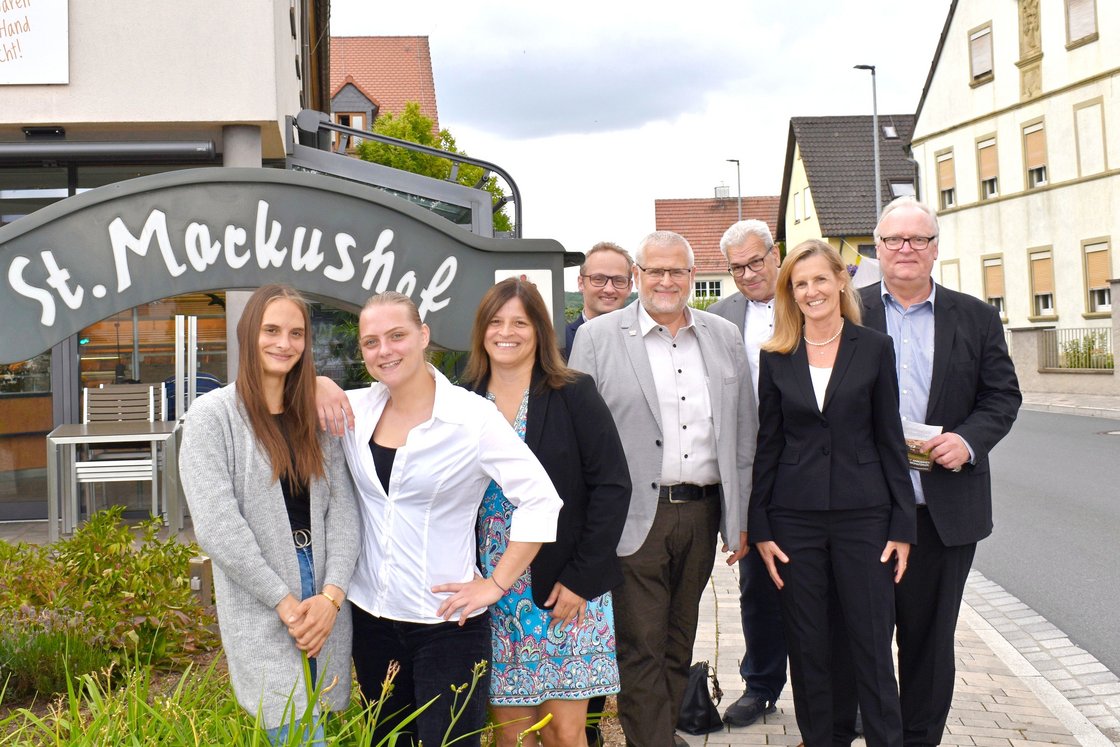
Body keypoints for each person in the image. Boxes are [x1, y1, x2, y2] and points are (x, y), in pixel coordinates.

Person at [334, 291, 563, 747]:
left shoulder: (471, 417)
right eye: (371, 342)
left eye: (397, 336)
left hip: (447, 626)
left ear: (423, 336)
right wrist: (321, 385)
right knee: (388, 741)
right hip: (372, 620)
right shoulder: (354, 410)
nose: (384, 351)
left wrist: (495, 584)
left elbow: (541, 499)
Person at [833, 197, 1021, 746]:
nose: (906, 249)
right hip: (864, 511)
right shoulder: (846, 312)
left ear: (936, 248)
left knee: (930, 645)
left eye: (918, 239)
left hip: (943, 513)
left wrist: (969, 440)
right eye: (894, 240)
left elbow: (1002, 396)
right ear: (878, 248)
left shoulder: (976, 317)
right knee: (860, 640)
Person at [569, 230, 756, 747]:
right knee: (641, 645)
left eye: (677, 271)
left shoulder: (723, 336)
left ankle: (658, 735)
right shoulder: (598, 338)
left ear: (693, 276)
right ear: (638, 276)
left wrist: (739, 519)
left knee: (678, 642)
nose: (666, 281)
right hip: (633, 515)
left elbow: (743, 433)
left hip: (702, 512)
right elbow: (578, 438)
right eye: (655, 270)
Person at [749, 239, 915, 747]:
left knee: (871, 643)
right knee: (809, 646)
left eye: (820, 279)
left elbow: (889, 438)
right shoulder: (776, 355)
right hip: (793, 520)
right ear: (790, 293)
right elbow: (769, 443)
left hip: (865, 517)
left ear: (841, 280)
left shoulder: (875, 347)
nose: (811, 291)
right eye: (800, 284)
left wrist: (902, 525)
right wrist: (760, 526)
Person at [179, 284, 360, 745]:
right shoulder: (212, 416)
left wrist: (331, 596)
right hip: (265, 590)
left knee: (318, 717)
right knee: (295, 726)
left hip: (323, 585)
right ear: (248, 334)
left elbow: (344, 510)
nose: (285, 343)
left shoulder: (315, 415)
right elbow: (217, 526)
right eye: (272, 330)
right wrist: (285, 602)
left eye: (296, 333)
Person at [463, 277, 631, 747]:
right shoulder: (462, 399)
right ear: (481, 331)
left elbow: (613, 487)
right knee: (511, 736)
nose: (506, 332)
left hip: (564, 589)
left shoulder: (573, 392)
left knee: (563, 732)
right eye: (495, 322)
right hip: (492, 592)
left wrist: (582, 579)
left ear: (540, 330)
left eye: (520, 322)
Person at [707, 219, 788, 728]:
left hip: (811, 464)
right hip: (752, 470)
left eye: (756, 261)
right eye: (737, 267)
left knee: (830, 586)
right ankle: (761, 686)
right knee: (758, 587)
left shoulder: (809, 299)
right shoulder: (718, 318)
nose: (748, 273)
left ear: (775, 254)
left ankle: (843, 694)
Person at [565, 241, 634, 355]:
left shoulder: (646, 341)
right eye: (598, 279)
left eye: (619, 280)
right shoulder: (558, 342)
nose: (609, 289)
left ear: (629, 287)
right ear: (581, 283)